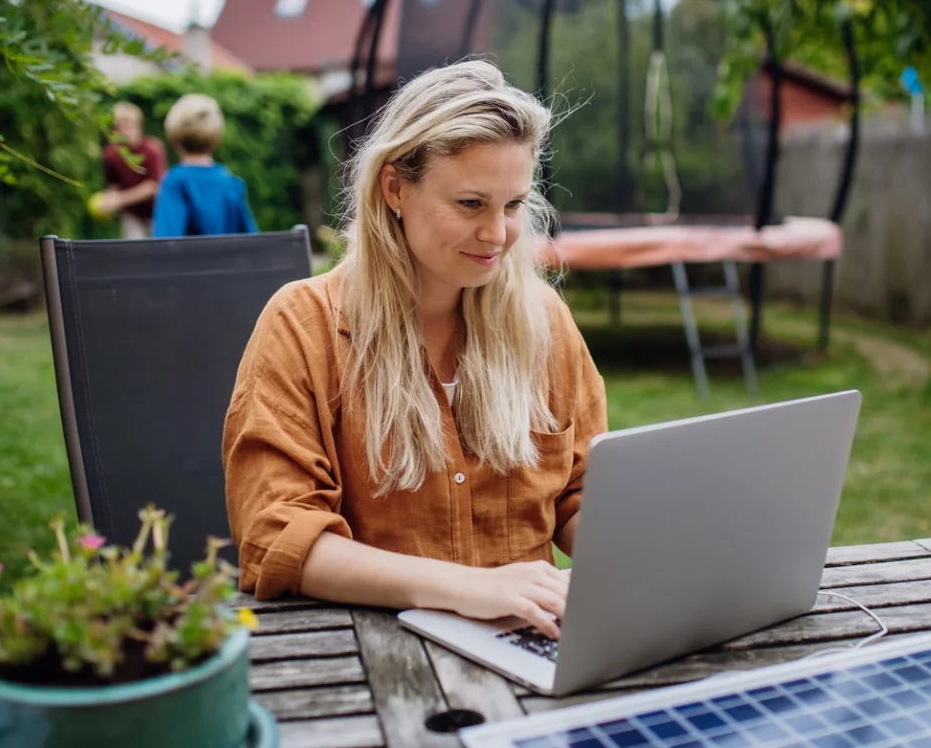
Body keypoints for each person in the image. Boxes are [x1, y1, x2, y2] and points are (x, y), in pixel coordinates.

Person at [223, 60, 607, 638]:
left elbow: (579, 495)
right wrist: (467, 587)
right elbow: (276, 536)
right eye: (471, 204)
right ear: (395, 188)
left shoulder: (544, 322)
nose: (498, 234)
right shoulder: (305, 326)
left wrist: (652, 548)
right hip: (371, 649)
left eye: (513, 205)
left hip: (535, 637)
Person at [152, 94, 257, 237]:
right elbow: (253, 241)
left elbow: (166, 242)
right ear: (218, 139)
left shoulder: (174, 183)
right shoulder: (231, 183)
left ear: (172, 138)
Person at [99, 102, 167, 239]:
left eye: (128, 125)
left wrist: (120, 200)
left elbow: (153, 186)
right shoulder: (111, 154)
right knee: (133, 254)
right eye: (119, 126)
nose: (124, 130)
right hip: (131, 216)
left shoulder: (153, 149)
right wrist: (109, 202)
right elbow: (113, 185)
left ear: (138, 126)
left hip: (156, 212)